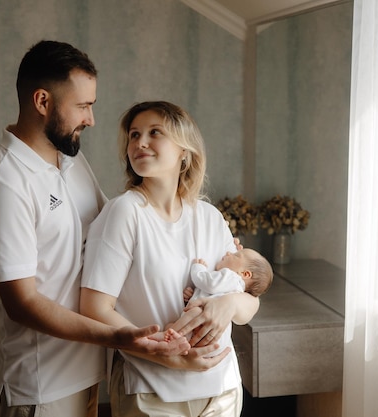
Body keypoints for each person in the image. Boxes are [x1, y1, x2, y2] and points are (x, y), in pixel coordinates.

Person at [0, 41, 189, 417]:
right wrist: (119, 337)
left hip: (87, 371)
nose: (91, 119)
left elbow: (119, 231)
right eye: (83, 106)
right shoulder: (4, 184)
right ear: (42, 102)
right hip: (39, 385)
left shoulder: (70, 158)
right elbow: (22, 303)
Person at [80, 101, 261, 417]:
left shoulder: (210, 217)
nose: (140, 142)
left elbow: (248, 305)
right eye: (134, 135)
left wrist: (229, 305)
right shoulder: (125, 213)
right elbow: (95, 309)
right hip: (152, 390)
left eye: (154, 132)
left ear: (184, 151)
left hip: (222, 391)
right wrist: (167, 356)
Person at [168, 249, 273, 355]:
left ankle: (168, 334)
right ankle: (176, 337)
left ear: (245, 274)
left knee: (194, 313)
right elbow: (211, 295)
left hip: (204, 328)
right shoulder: (236, 289)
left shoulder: (231, 277)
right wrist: (193, 295)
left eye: (236, 256)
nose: (228, 253)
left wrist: (198, 269)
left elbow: (208, 284)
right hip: (216, 340)